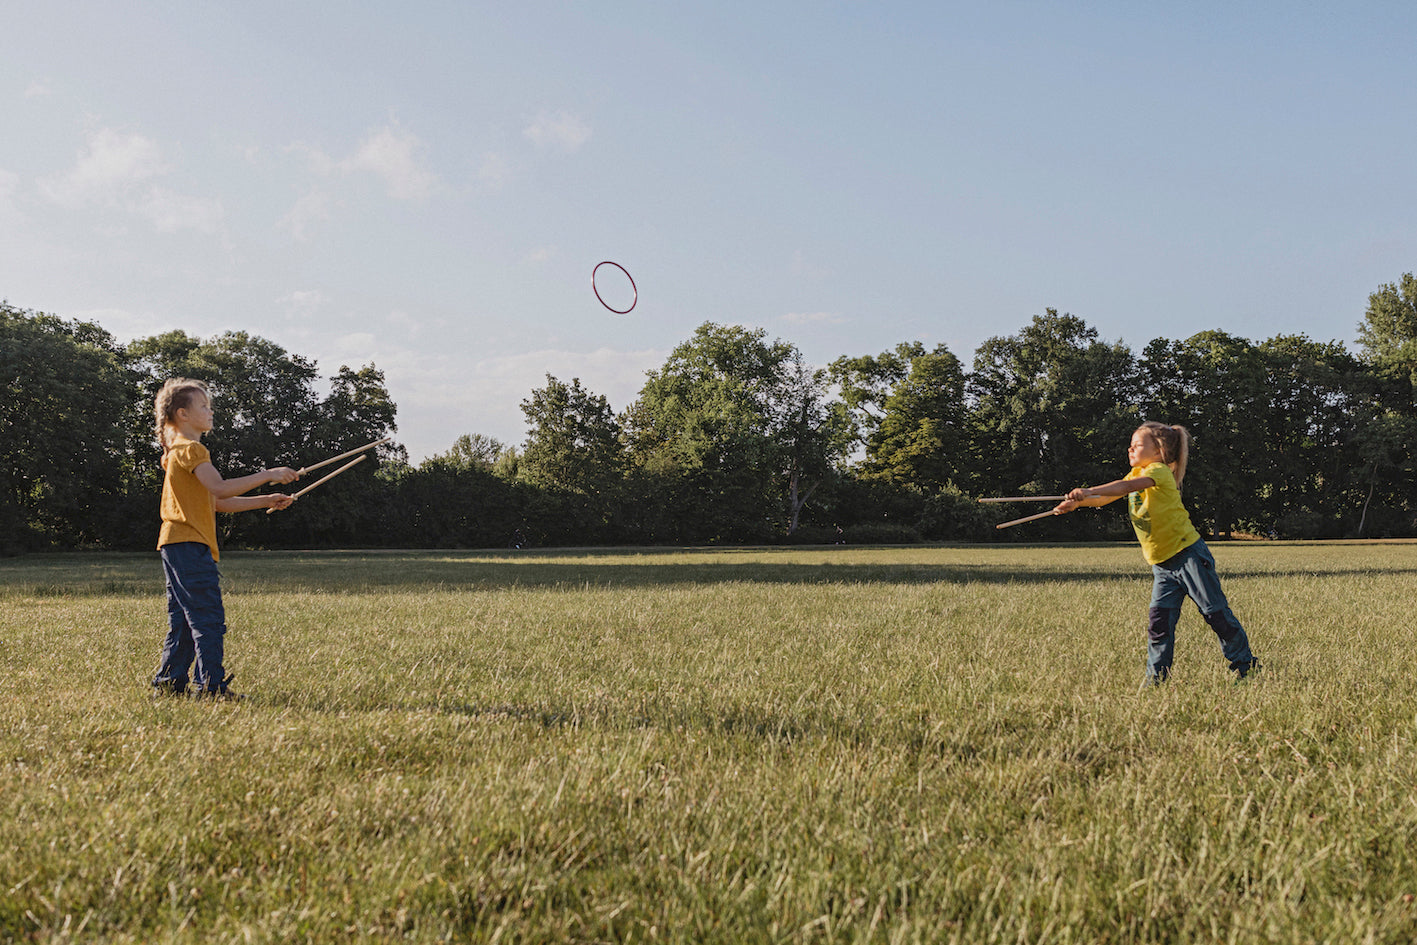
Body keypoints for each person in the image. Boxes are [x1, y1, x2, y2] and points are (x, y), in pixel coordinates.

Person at [1054, 421, 1260, 683]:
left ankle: (1246, 666)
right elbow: (1106, 498)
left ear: (1159, 451)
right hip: (1162, 565)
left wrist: (1089, 490)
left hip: (1189, 556)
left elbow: (1123, 488)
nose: (1130, 449)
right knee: (1159, 623)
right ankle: (1156, 679)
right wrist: (1076, 504)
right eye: (1130, 445)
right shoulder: (1137, 473)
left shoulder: (1159, 471)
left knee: (1215, 613)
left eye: (1138, 445)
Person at [151, 379, 300, 700]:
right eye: (203, 406)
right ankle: (210, 688)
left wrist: (267, 499)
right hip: (190, 545)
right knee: (207, 618)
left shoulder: (179, 451)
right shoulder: (191, 449)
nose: (210, 411)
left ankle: (169, 684)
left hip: (175, 544)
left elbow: (217, 503)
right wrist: (268, 473)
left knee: (182, 622)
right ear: (183, 414)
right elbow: (220, 488)